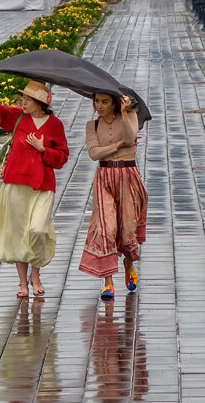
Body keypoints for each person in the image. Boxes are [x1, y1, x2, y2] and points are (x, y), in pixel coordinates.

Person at [0, 68, 69, 299]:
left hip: (43, 186)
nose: (23, 102)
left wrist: (43, 149)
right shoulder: (17, 117)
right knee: (19, 233)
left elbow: (62, 158)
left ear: (40, 103)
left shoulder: (55, 125)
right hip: (16, 184)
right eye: (23, 98)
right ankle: (22, 283)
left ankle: (35, 275)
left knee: (38, 230)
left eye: (28, 99)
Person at [79, 93, 147, 301]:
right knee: (106, 228)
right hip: (104, 178)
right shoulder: (92, 125)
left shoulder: (130, 115)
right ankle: (108, 282)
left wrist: (125, 114)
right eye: (96, 101)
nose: (99, 106)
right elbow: (94, 153)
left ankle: (128, 263)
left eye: (104, 102)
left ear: (114, 103)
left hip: (128, 176)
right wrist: (117, 146)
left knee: (127, 227)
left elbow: (130, 137)